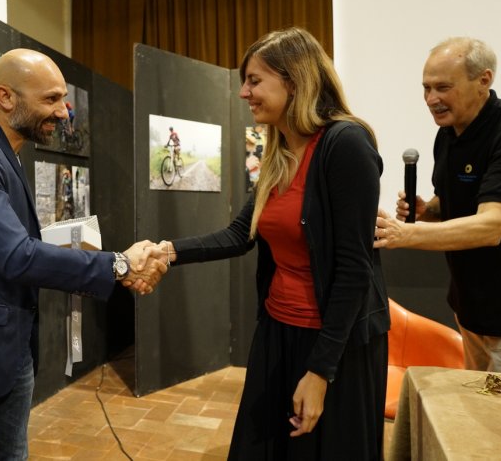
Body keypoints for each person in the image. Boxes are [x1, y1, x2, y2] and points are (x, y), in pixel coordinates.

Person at [0, 48, 167, 460]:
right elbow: (16, 256)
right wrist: (119, 264)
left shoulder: (4, 152)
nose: (63, 111)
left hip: (10, 353)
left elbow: (10, 248)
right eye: (51, 99)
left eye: (63, 99)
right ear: (6, 97)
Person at [137, 27, 389, 460]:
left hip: (334, 344)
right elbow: (240, 234)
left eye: (254, 81)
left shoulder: (346, 144)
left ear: (293, 81)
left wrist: (320, 372)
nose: (243, 93)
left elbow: (354, 269)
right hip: (278, 331)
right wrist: (167, 251)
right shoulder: (278, 151)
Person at [374, 37, 501, 372]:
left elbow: (491, 225)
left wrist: (405, 234)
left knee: (500, 408)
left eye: (443, 88)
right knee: (473, 402)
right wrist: (429, 210)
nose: (431, 99)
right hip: (470, 312)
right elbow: (458, 199)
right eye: (426, 88)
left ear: (484, 80)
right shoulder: (448, 133)